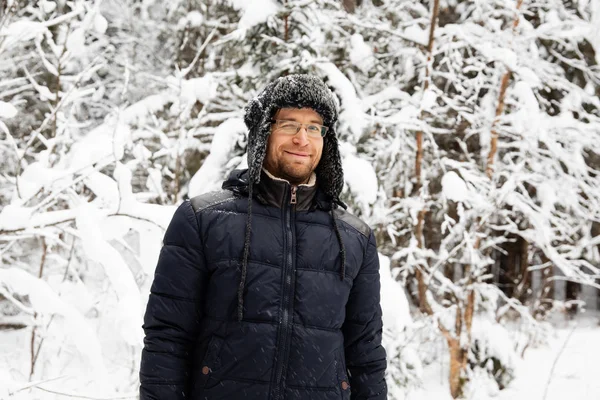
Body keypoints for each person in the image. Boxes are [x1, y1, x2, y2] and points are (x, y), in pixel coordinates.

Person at [139, 74, 387, 400]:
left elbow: (366, 353)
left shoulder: (354, 238)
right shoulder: (203, 221)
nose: (303, 138)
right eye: (289, 124)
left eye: (314, 127)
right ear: (263, 133)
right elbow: (167, 337)